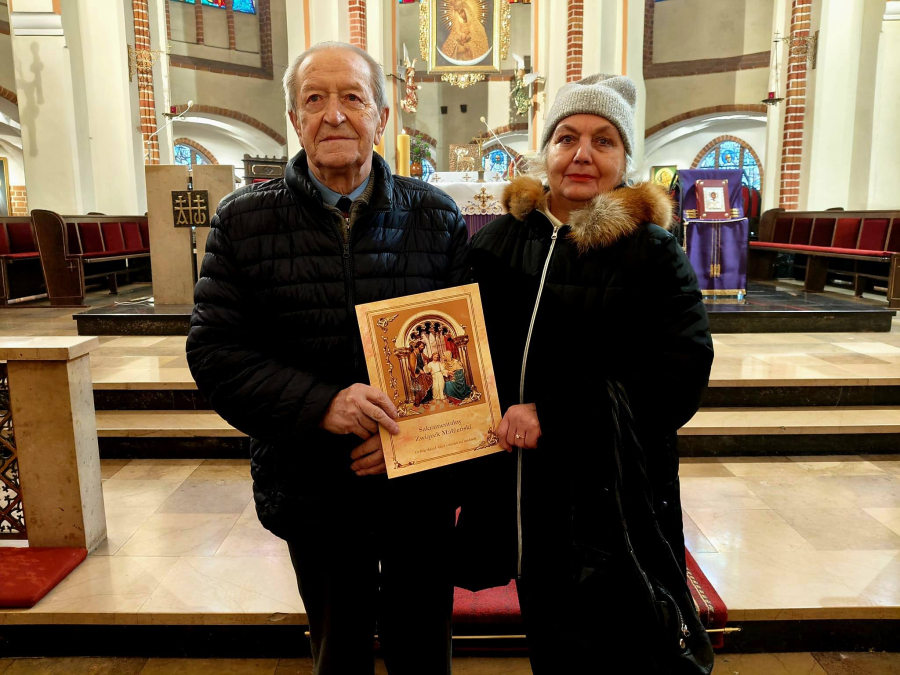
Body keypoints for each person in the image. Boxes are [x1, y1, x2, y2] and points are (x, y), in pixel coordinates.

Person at [186, 41, 467, 675]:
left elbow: (467, 354)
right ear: (295, 119)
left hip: (416, 489)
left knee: (424, 653)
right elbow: (216, 351)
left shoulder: (436, 215)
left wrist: (410, 441)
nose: (334, 114)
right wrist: (322, 406)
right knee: (339, 654)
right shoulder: (242, 222)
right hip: (312, 481)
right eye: (315, 99)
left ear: (382, 117)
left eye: (352, 98)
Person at [464, 73, 715, 673]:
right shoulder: (497, 242)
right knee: (549, 639)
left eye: (603, 140)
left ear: (625, 159)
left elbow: (679, 377)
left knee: (617, 646)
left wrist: (553, 414)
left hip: (611, 490)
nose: (581, 154)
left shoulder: (652, 253)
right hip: (524, 487)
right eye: (567, 137)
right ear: (545, 151)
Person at [409, 341, 434, 407]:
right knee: (421, 387)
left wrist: (433, 356)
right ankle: (422, 400)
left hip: (423, 371)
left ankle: (428, 399)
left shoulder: (421, 353)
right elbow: (412, 365)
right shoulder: (413, 354)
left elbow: (427, 359)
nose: (423, 347)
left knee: (428, 382)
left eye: (423, 346)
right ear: (418, 346)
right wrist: (419, 370)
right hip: (417, 373)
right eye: (421, 346)